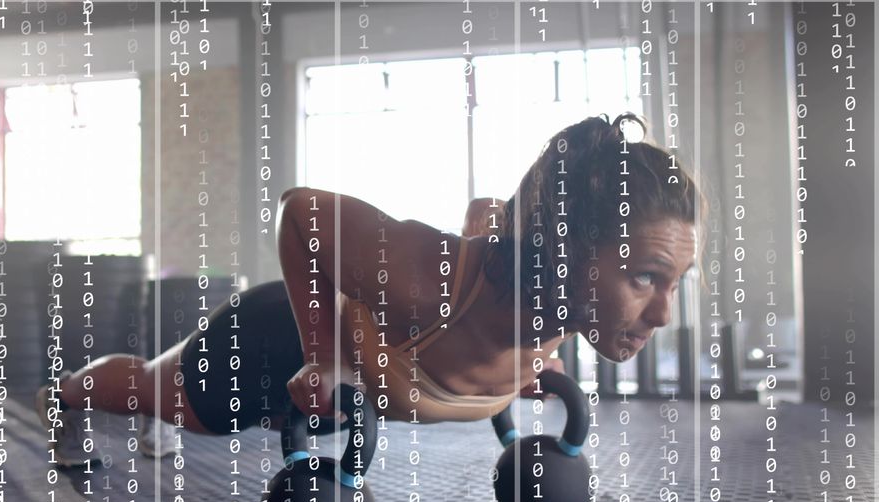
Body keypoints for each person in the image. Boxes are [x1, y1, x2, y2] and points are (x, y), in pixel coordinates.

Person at [35, 113, 700, 466]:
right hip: (272, 339)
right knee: (153, 392)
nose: (664, 312)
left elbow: (486, 207)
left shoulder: (557, 296)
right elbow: (300, 211)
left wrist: (531, 358)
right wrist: (321, 357)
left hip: (366, 359)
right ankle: (63, 395)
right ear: (569, 250)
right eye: (645, 277)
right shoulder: (435, 277)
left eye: (675, 282)